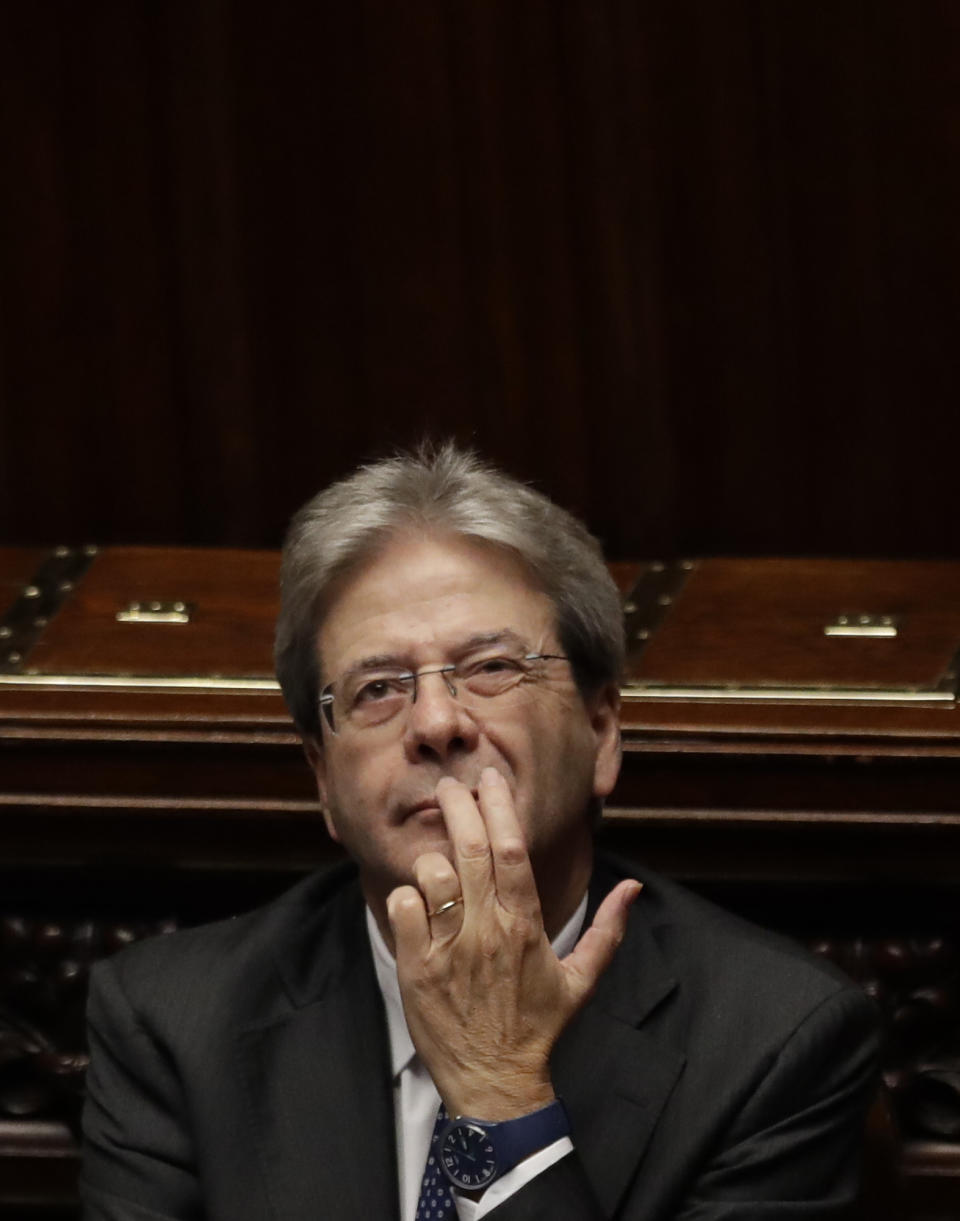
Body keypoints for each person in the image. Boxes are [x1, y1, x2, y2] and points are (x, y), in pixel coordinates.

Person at [81, 443, 879, 1220]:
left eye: (492, 667)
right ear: (323, 777)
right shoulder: (172, 1022)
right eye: (378, 688)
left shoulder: (774, 1041)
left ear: (601, 732)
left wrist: (500, 1091)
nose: (435, 722)